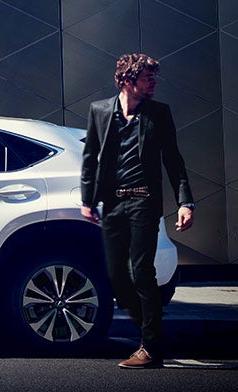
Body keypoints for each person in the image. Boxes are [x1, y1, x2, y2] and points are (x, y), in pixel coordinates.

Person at [80, 53, 194, 369]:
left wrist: (185, 202)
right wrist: (87, 200)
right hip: (113, 204)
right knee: (117, 277)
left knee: (142, 272)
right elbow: (90, 157)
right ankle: (150, 333)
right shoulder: (100, 111)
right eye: (148, 78)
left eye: (153, 77)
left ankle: (150, 347)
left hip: (144, 201)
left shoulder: (159, 113)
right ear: (128, 81)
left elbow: (173, 160)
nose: (154, 83)